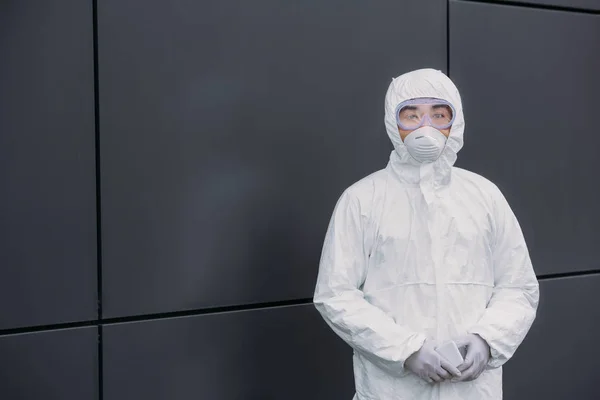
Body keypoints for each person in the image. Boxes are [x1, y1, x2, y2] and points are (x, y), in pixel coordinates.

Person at [313, 68, 539, 399]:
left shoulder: (485, 196)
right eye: (412, 115)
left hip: (472, 390)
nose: (426, 127)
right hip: (391, 390)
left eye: (439, 114)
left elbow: (518, 286)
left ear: (455, 121)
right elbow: (335, 295)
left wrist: (488, 340)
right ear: (394, 122)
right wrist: (406, 351)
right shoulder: (361, 199)